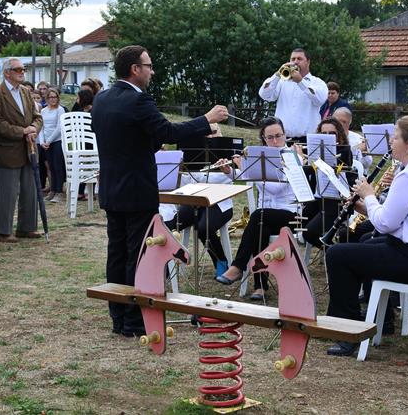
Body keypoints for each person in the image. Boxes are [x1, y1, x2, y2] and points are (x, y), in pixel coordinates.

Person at [92, 44, 228, 338]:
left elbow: (121, 137)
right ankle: (134, 320)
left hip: (112, 189)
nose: (152, 72)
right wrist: (207, 119)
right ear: (135, 69)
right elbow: (168, 131)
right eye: (149, 66)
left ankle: (117, 316)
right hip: (137, 190)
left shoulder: (102, 98)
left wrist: (150, 144)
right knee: (138, 255)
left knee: (116, 252)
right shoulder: (138, 100)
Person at [325, 115, 408, 357]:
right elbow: (398, 219)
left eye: (395, 137)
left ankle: (348, 332)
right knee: (364, 242)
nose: (391, 142)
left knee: (337, 254)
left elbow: (385, 224)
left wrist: (369, 195)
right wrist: (367, 208)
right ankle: (381, 321)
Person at [215, 117, 301, 301]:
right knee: (261, 224)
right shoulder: (260, 156)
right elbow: (244, 177)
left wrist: (246, 168)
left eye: (279, 136)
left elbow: (275, 188)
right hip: (265, 217)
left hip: (291, 215)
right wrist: (229, 171)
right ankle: (260, 287)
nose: (275, 141)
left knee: (259, 216)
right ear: (263, 139)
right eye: (270, 138)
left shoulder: (293, 157)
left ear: (285, 135)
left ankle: (238, 266)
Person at [0, 58, 43, 243]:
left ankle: (27, 228)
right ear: (7, 72)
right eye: (17, 69)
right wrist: (23, 131)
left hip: (29, 149)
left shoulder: (26, 92)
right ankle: (4, 230)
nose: (22, 72)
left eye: (23, 69)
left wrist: (34, 128)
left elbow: (37, 116)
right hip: (7, 150)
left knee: (30, 190)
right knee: (8, 193)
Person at [169, 125, 234, 278]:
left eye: (214, 133)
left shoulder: (228, 154)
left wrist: (231, 168)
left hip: (220, 203)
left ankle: (221, 261)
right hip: (195, 201)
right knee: (171, 226)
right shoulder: (194, 155)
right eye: (207, 134)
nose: (210, 137)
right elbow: (185, 185)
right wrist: (183, 169)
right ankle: (177, 257)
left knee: (203, 228)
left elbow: (238, 177)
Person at [303, 117, 354, 248]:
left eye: (332, 134)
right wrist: (301, 160)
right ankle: (333, 251)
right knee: (300, 226)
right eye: (323, 134)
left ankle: (334, 253)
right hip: (317, 201)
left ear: (339, 136)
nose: (327, 137)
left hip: (337, 203)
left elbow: (335, 171)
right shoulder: (313, 154)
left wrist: (311, 163)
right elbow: (307, 174)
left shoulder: (344, 151)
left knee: (310, 233)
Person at [258, 48, 327, 141]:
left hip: (307, 139)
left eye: (299, 59)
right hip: (282, 139)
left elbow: (319, 100)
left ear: (308, 62)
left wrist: (301, 82)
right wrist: (277, 75)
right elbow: (264, 95)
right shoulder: (282, 82)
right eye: (293, 59)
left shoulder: (317, 83)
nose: (295, 62)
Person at [38, 88, 67, 202]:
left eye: (55, 97)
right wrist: (42, 141)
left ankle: (59, 191)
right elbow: (41, 127)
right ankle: (53, 190)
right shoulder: (43, 111)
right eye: (50, 97)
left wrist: (49, 140)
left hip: (57, 141)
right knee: (51, 167)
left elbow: (59, 127)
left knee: (57, 166)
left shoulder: (60, 110)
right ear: (47, 98)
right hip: (46, 143)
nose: (53, 99)